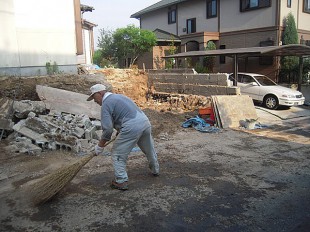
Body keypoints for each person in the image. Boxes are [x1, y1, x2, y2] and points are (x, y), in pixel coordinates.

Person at [87, 84, 160, 190]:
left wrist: (100, 146)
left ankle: (120, 181)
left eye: (94, 97)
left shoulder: (106, 104)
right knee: (149, 149)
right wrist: (121, 130)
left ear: (100, 93)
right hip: (144, 122)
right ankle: (155, 169)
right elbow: (124, 113)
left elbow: (107, 130)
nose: (95, 101)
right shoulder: (119, 97)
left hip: (132, 126)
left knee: (117, 153)